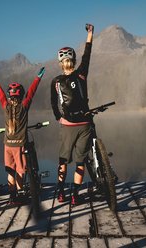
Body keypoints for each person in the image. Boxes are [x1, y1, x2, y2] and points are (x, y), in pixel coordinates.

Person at [50, 23, 94, 205]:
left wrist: (58, 118)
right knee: (80, 162)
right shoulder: (82, 74)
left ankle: (61, 193)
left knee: (63, 161)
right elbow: (87, 53)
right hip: (84, 123)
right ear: (74, 61)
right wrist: (90, 34)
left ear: (60, 63)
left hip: (67, 125)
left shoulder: (56, 81)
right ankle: (75, 194)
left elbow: (53, 103)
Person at [0, 67, 45, 205]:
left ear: (9, 96)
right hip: (20, 145)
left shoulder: (6, 107)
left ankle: (12, 197)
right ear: (21, 96)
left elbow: (0, 94)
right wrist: (38, 78)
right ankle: (20, 194)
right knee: (20, 171)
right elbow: (31, 93)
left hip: (7, 145)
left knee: (10, 171)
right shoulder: (24, 107)